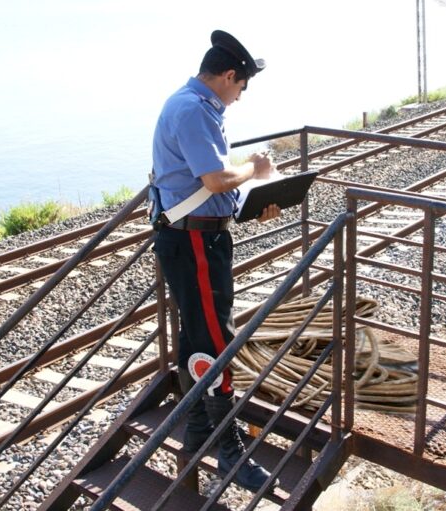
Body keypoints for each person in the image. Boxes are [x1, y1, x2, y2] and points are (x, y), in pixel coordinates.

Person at [151, 29, 280, 492]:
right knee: (216, 342)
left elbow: (200, 187)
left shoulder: (196, 105)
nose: (240, 97)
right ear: (228, 76)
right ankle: (228, 452)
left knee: (198, 338)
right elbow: (216, 177)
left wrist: (252, 202)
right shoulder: (191, 109)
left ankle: (199, 430)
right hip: (194, 246)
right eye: (241, 87)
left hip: (198, 240)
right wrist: (256, 170)